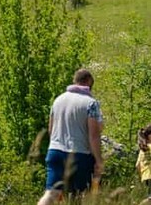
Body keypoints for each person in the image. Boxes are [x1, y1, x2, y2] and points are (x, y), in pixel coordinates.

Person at [38, 69, 103, 205]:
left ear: (75, 81)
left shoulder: (58, 100)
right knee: (81, 195)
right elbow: (94, 135)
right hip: (80, 154)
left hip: (55, 151)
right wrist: (98, 160)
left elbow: (51, 130)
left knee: (51, 194)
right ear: (88, 82)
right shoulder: (91, 103)